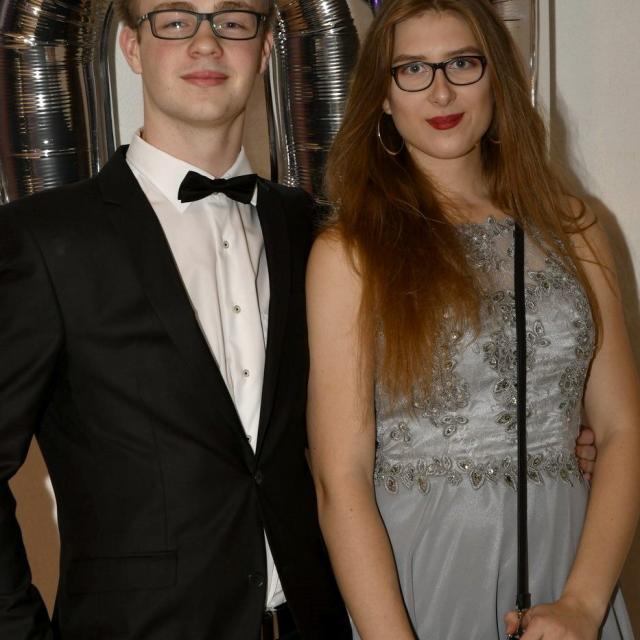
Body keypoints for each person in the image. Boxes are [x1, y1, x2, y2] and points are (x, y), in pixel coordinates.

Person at [0, 1, 352, 638]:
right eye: (175, 20)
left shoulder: (311, 229)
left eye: (232, 21)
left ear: (264, 50)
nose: (206, 43)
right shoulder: (45, 239)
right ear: (133, 49)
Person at [306, 1, 640, 639]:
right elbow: (338, 478)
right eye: (412, 69)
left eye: (462, 63)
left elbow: (623, 428)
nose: (441, 91)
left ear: (496, 78)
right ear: (382, 98)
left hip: (572, 563)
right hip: (427, 568)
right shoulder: (349, 253)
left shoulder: (576, 228)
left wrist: (583, 603)